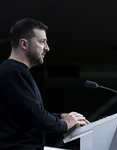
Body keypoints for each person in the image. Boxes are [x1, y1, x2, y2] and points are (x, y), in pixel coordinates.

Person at [0, 18, 90, 150]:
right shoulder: (14, 72)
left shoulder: (13, 71)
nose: (47, 48)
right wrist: (65, 124)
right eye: (42, 42)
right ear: (24, 44)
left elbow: (26, 113)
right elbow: (34, 115)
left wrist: (61, 117)